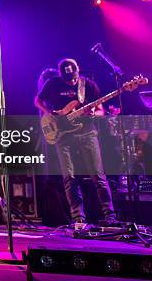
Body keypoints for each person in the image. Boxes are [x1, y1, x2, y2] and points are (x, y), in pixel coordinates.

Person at [34, 58, 117, 226]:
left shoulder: (89, 86)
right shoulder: (53, 84)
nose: (70, 80)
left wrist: (94, 114)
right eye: (66, 77)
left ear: (78, 70)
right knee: (70, 177)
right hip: (63, 136)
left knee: (98, 176)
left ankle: (110, 216)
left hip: (87, 134)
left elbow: (101, 110)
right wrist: (48, 113)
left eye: (72, 75)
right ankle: (78, 217)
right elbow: (38, 100)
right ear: (60, 74)